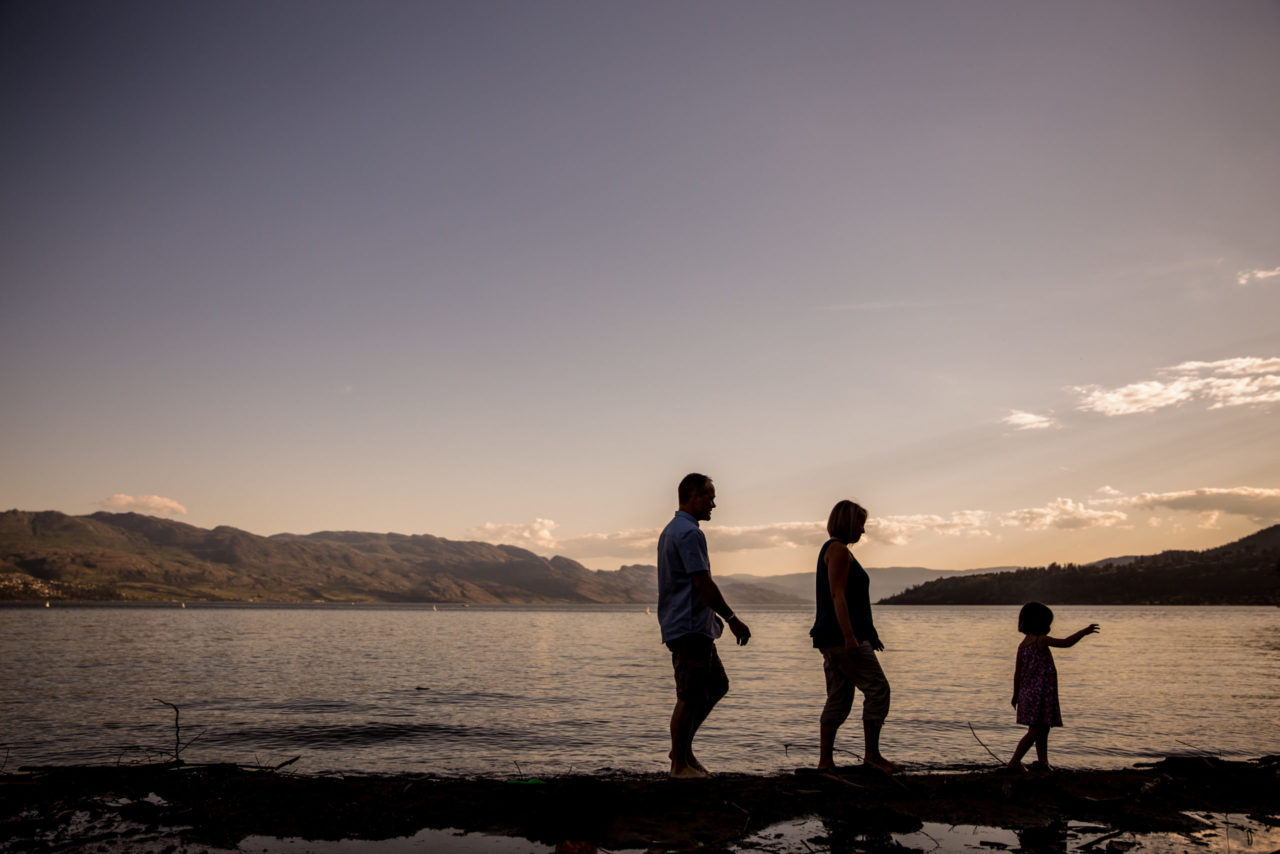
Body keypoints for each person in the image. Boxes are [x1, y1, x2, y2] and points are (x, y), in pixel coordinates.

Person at [657, 472, 751, 778]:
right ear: (693, 497)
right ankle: (679, 765)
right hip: (688, 627)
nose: (713, 504)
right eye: (709, 497)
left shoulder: (673, 530)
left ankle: (682, 750)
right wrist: (733, 619)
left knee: (717, 685)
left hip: (692, 624)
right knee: (689, 696)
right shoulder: (688, 533)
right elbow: (702, 583)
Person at [810, 499, 901, 773]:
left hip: (831, 637)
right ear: (848, 522)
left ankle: (826, 762)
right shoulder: (838, 550)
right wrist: (850, 637)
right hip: (841, 638)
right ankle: (872, 756)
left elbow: (847, 598)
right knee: (878, 690)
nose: (862, 530)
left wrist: (868, 634)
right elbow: (838, 595)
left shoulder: (834, 549)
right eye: (860, 524)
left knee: (839, 698)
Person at [1008, 601, 1100, 772]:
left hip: (1028, 693)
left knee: (1042, 728)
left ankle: (1043, 762)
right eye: (1047, 623)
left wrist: (1015, 695)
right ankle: (1014, 762)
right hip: (1040, 694)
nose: (1049, 627)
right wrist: (1084, 632)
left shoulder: (1023, 645)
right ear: (1038, 622)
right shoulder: (1041, 640)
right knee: (1036, 730)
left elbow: (1017, 673)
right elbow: (1066, 643)